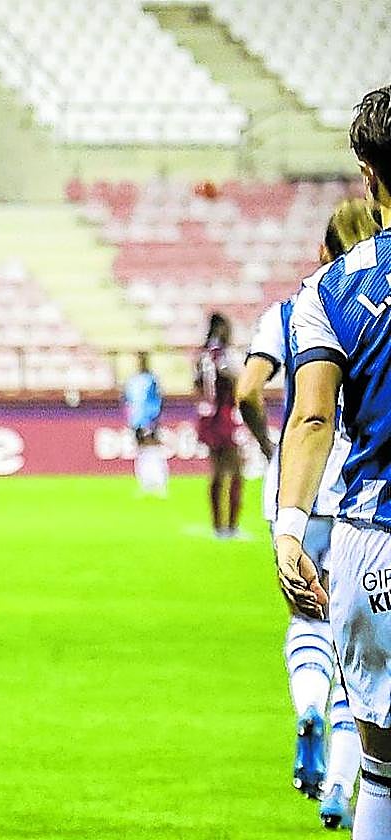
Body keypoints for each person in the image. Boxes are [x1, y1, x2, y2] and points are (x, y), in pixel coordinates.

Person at [237, 197, 379, 828]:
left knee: (305, 618)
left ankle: (307, 704)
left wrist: (272, 448)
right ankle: (340, 787)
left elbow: (249, 390)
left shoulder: (295, 305)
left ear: (323, 249)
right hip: (359, 486)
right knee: (362, 663)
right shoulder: (376, 291)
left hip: (296, 485)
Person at [278, 85, 391, 840]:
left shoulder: (330, 288)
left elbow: (313, 415)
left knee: (381, 772)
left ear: (367, 174)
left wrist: (290, 526)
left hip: (372, 540)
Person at [195, 312, 243, 538]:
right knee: (234, 471)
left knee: (217, 472)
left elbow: (197, 384)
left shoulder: (203, 355)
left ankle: (218, 526)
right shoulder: (219, 354)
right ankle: (230, 527)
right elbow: (231, 378)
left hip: (208, 417)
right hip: (222, 417)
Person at [122, 351, 167, 496]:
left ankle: (159, 483)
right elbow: (127, 400)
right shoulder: (132, 381)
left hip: (149, 419)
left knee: (153, 448)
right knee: (141, 450)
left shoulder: (151, 380)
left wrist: (154, 417)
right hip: (137, 420)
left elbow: (157, 399)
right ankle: (145, 483)